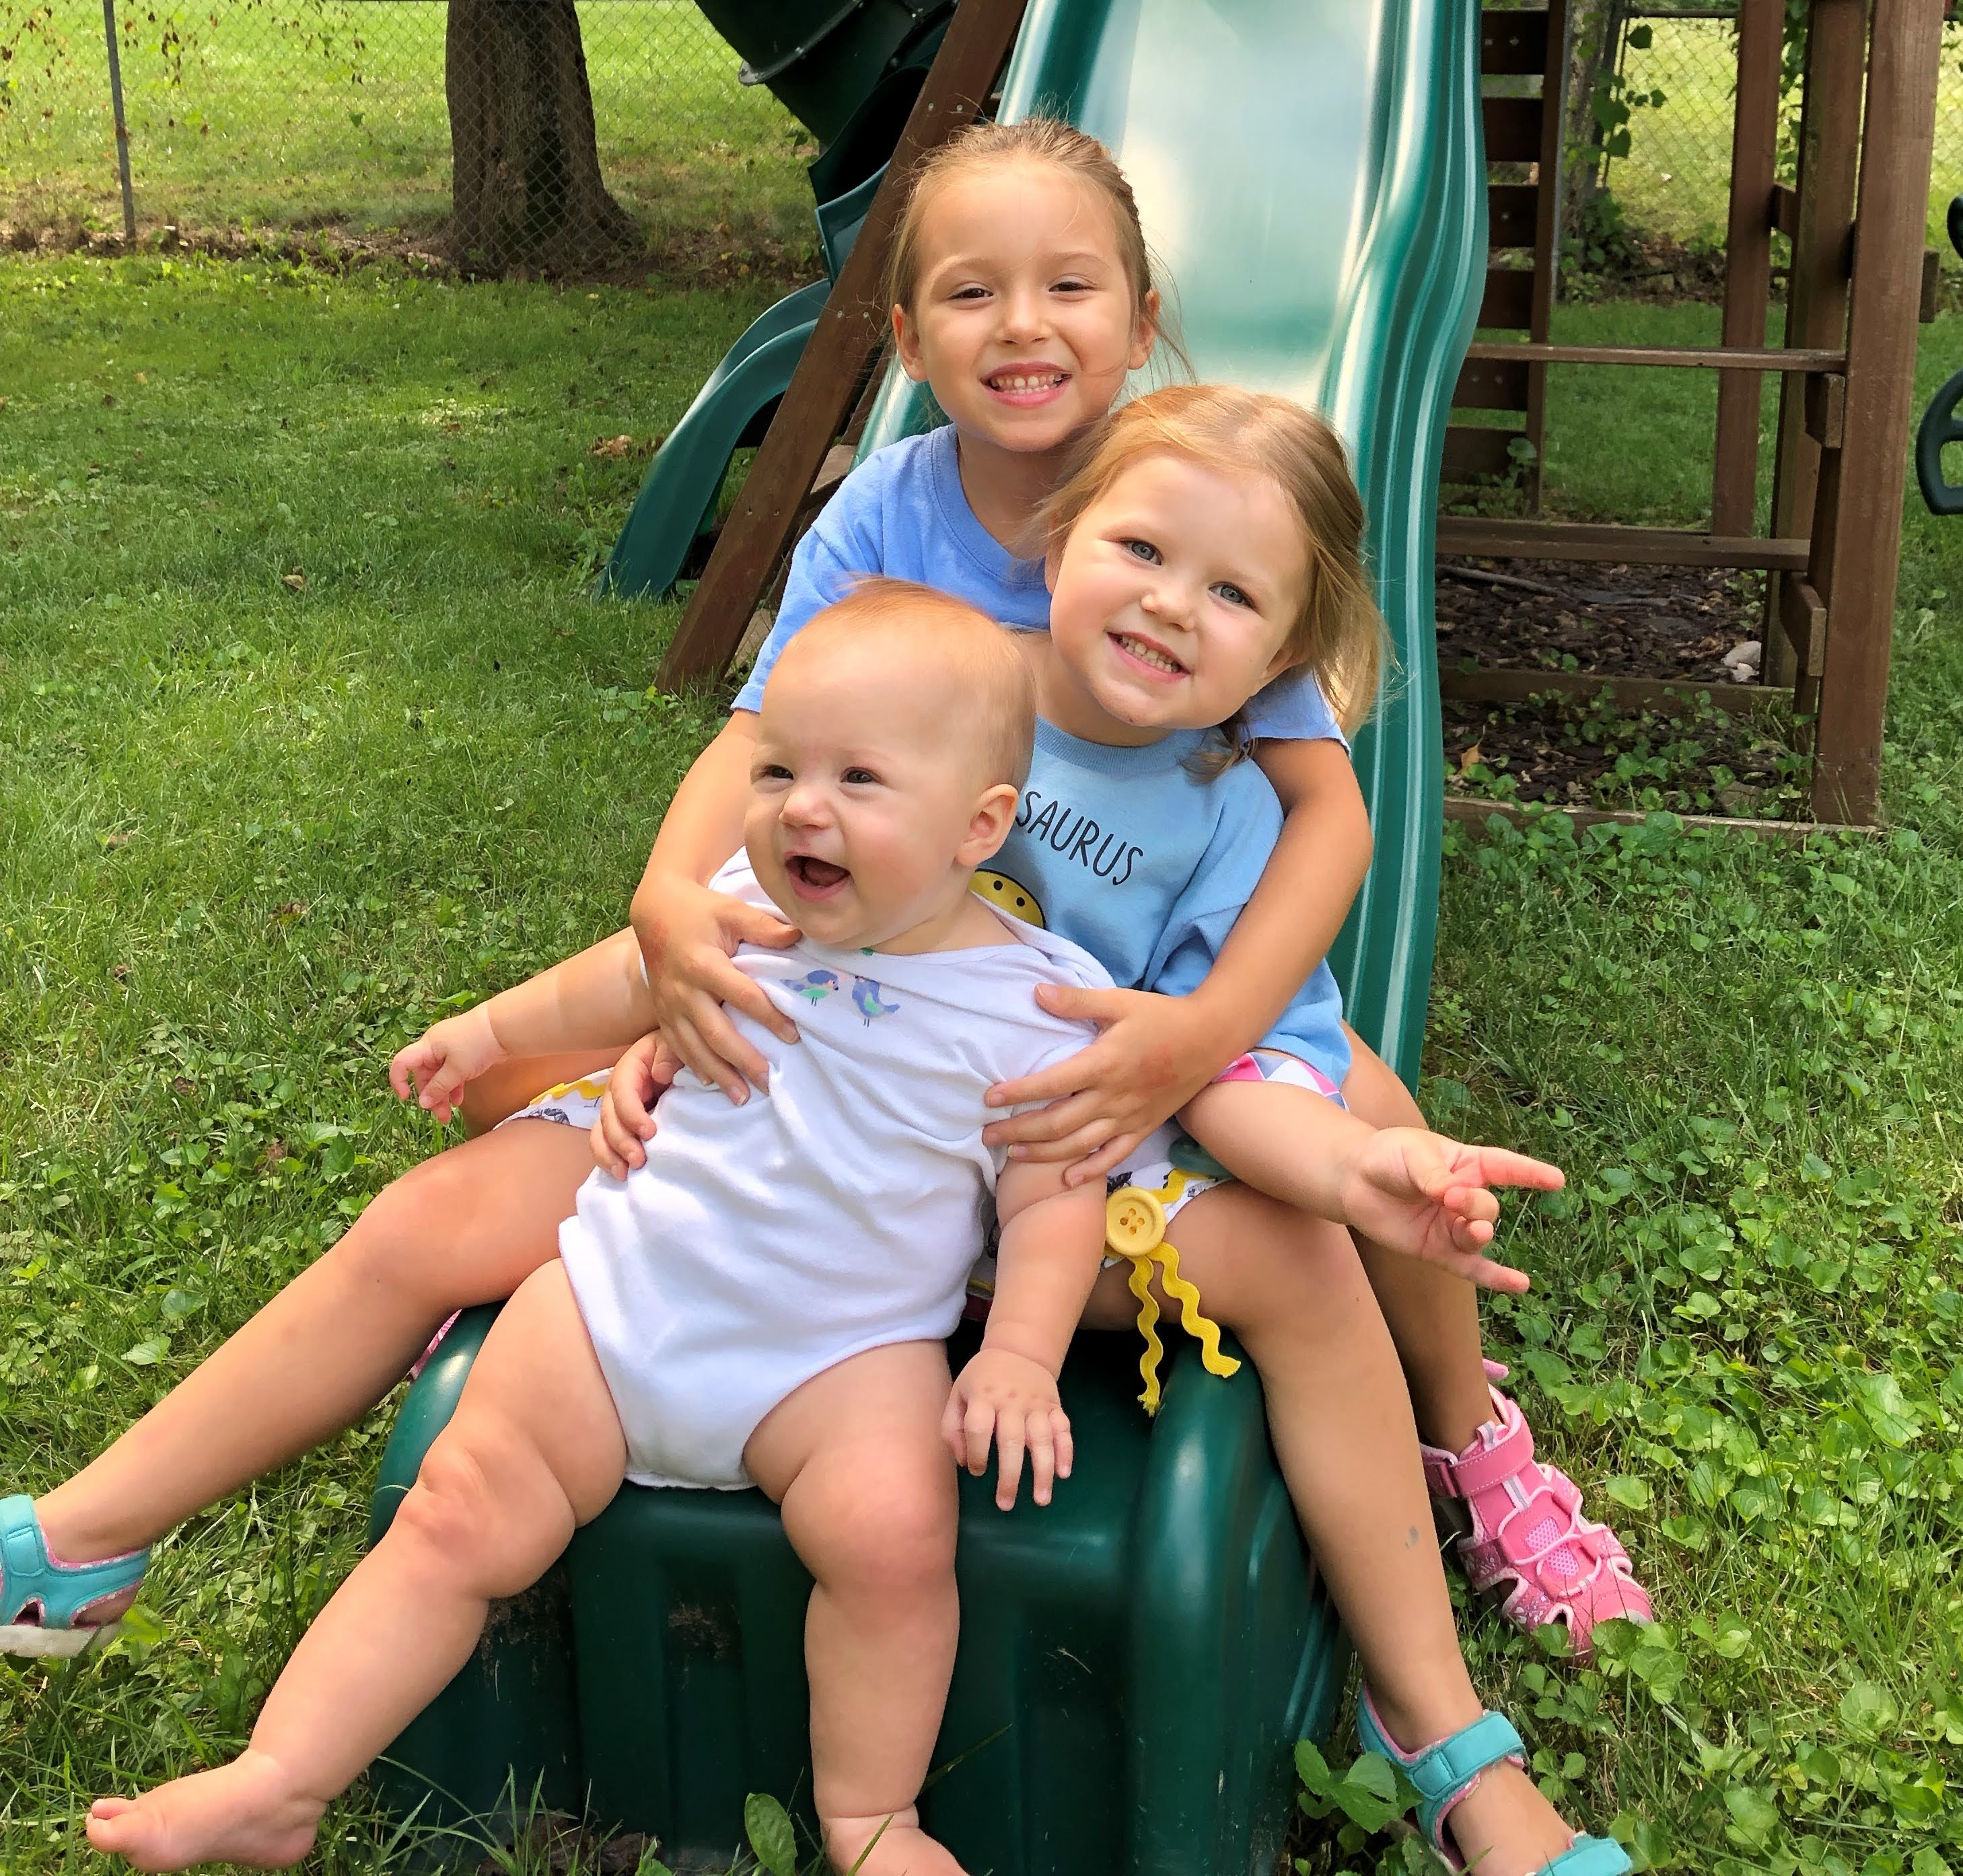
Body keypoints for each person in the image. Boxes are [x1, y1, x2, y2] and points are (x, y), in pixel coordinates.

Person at [1, 115, 1639, 1671]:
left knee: (1356, 1103)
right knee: (489, 1155)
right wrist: (666, 902)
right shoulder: (896, 510)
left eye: (1070, 286)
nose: (1024, 325)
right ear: (909, 339)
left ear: (1142, 322)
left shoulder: (1193, 518)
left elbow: (1323, 816)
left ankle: (1465, 1433)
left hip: (1070, 1050)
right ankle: (86, 1534)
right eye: (973, 292)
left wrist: (1203, 1031)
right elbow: (758, 745)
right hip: (846, 1014)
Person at [383, 386, 1635, 1875]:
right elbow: (755, 881)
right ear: (1058, 543)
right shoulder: (939, 697)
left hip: (1040, 1210)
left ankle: (1439, 1730)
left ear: (1287, 658)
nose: (1169, 606)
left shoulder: (1235, 816)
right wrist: (601, 1009)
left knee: (1305, 1255)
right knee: (513, 1150)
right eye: (1142, 551)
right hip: (835, 1180)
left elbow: (1241, 1080)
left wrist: (1355, 1165)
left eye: (1232, 595)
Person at [83, 586, 1117, 1876]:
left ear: (980, 826)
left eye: (859, 779)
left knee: (895, 1545)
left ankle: (872, 1819)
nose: (802, 807)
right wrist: (493, 1032)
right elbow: (615, 982)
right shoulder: (740, 913)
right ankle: (281, 1778)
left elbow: (1053, 1195)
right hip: (619, 1298)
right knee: (456, 1507)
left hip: (839, 1361)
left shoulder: (1030, 1005)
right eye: (780, 769)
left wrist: (1018, 1354)